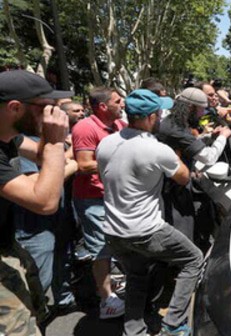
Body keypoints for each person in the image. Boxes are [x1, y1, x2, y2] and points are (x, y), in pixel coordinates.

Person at [97, 89, 203, 336]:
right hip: (146, 229)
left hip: (113, 230)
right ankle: (174, 324)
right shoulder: (155, 148)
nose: (160, 118)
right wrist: (176, 157)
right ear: (149, 117)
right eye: (158, 114)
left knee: (136, 275)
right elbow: (183, 177)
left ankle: (134, 331)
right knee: (193, 259)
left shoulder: (106, 143)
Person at [0, 69, 72, 335]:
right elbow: (44, 202)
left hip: (8, 245)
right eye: (45, 107)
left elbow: (45, 160)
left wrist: (51, 143)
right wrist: (55, 141)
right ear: (15, 108)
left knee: (34, 312)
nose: (54, 112)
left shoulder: (10, 137)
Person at [71, 87, 126, 319]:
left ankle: (114, 285)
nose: (123, 103)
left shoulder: (120, 126)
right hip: (93, 199)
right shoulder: (85, 128)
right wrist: (122, 158)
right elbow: (84, 165)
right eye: (118, 100)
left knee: (119, 243)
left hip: (116, 196)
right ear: (103, 106)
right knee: (101, 248)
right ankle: (106, 301)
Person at [156, 87, 231, 241]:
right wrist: (222, 137)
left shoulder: (175, 123)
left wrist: (210, 136)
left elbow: (189, 144)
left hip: (177, 187)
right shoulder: (174, 129)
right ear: (191, 108)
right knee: (184, 237)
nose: (203, 114)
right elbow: (208, 157)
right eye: (201, 110)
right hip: (172, 192)